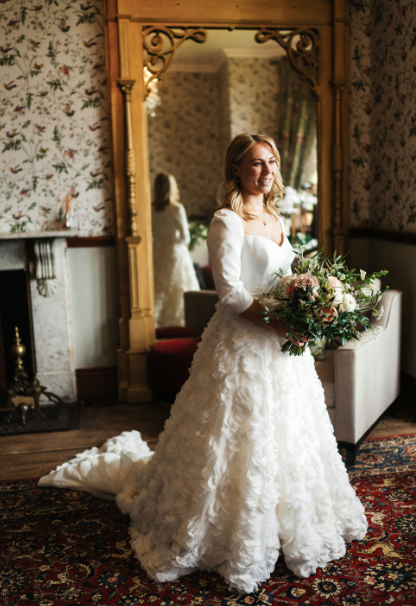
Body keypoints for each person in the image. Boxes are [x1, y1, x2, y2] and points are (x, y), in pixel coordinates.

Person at [39, 134, 367, 594]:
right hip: (241, 344)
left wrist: (304, 308)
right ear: (236, 169)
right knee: (234, 436)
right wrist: (276, 322)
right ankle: (224, 528)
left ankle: (286, 522)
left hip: (283, 349)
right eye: (255, 163)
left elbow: (284, 278)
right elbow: (230, 292)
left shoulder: (275, 218)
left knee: (288, 432)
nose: (266, 171)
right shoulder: (226, 220)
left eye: (271, 162)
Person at [151, 172, 200, 328]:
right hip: (174, 251)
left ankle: (157, 321)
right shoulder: (176, 208)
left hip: (156, 251)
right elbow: (186, 237)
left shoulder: (150, 208)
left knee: (159, 286)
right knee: (179, 287)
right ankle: (181, 323)